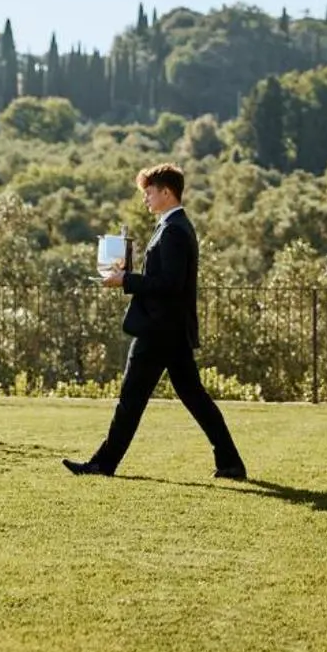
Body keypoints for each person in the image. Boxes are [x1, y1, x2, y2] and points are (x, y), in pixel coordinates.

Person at [64, 163, 246, 479]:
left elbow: (169, 284)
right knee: (194, 398)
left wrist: (126, 281)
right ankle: (231, 463)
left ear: (166, 192)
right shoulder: (173, 226)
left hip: (160, 331)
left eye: (149, 192)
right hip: (170, 330)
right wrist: (128, 273)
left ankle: (102, 464)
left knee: (131, 400)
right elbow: (162, 277)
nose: (146, 198)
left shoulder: (174, 230)